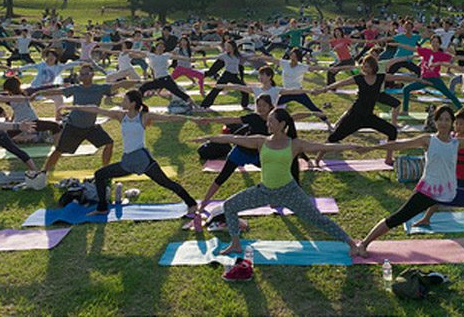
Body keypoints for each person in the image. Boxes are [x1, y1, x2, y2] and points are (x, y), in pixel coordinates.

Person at [356, 105, 464, 255]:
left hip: (450, 192)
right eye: (440, 119)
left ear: (452, 123)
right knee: (398, 217)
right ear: (435, 121)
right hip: (427, 192)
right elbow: (399, 145)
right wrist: (371, 148)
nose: (444, 123)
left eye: (447, 119)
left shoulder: (457, 142)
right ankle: (364, 244)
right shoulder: (428, 140)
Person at [203, 107, 362, 257]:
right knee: (229, 206)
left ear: (282, 124)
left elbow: (322, 146)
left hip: (289, 192)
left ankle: (351, 243)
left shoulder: (295, 144)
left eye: (271, 121)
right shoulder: (261, 141)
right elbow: (233, 138)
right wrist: (209, 137)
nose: (267, 124)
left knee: (317, 219)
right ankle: (236, 244)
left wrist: (351, 147)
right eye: (268, 121)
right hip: (264, 191)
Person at [72, 89, 198, 216]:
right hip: (128, 161)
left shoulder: (144, 116)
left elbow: (170, 118)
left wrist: (191, 120)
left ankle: (191, 203)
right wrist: (76, 107)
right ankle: (102, 207)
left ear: (132, 103)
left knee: (165, 182)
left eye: (125, 100)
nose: (122, 102)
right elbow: (98, 110)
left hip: (142, 159)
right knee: (99, 175)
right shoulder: (121, 116)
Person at [314, 55, 419, 166]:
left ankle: (388, 158)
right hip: (355, 115)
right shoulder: (359, 78)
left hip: (369, 116)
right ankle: (318, 158)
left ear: (374, 67)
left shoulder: (380, 78)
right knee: (334, 137)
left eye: (368, 66)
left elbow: (399, 78)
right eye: (364, 66)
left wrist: (416, 79)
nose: (365, 68)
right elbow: (341, 83)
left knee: (392, 131)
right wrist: (323, 89)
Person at [39, 64, 136, 175]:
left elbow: (120, 84)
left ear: (92, 75)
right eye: (82, 74)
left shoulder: (99, 88)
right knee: (59, 150)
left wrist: (140, 82)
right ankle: (44, 171)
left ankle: (105, 171)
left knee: (109, 143)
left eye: (86, 74)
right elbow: (58, 91)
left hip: (90, 127)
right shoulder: (76, 88)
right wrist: (39, 93)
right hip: (73, 127)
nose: (84, 77)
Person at [398, 34, 463, 112]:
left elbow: (454, 58)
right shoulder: (426, 51)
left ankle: (462, 109)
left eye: (437, 42)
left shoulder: (441, 54)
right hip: (424, 79)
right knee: (406, 89)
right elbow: (412, 49)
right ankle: (405, 111)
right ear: (430, 43)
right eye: (433, 42)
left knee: (450, 95)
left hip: (436, 80)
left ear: (439, 44)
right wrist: (399, 44)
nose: (435, 43)